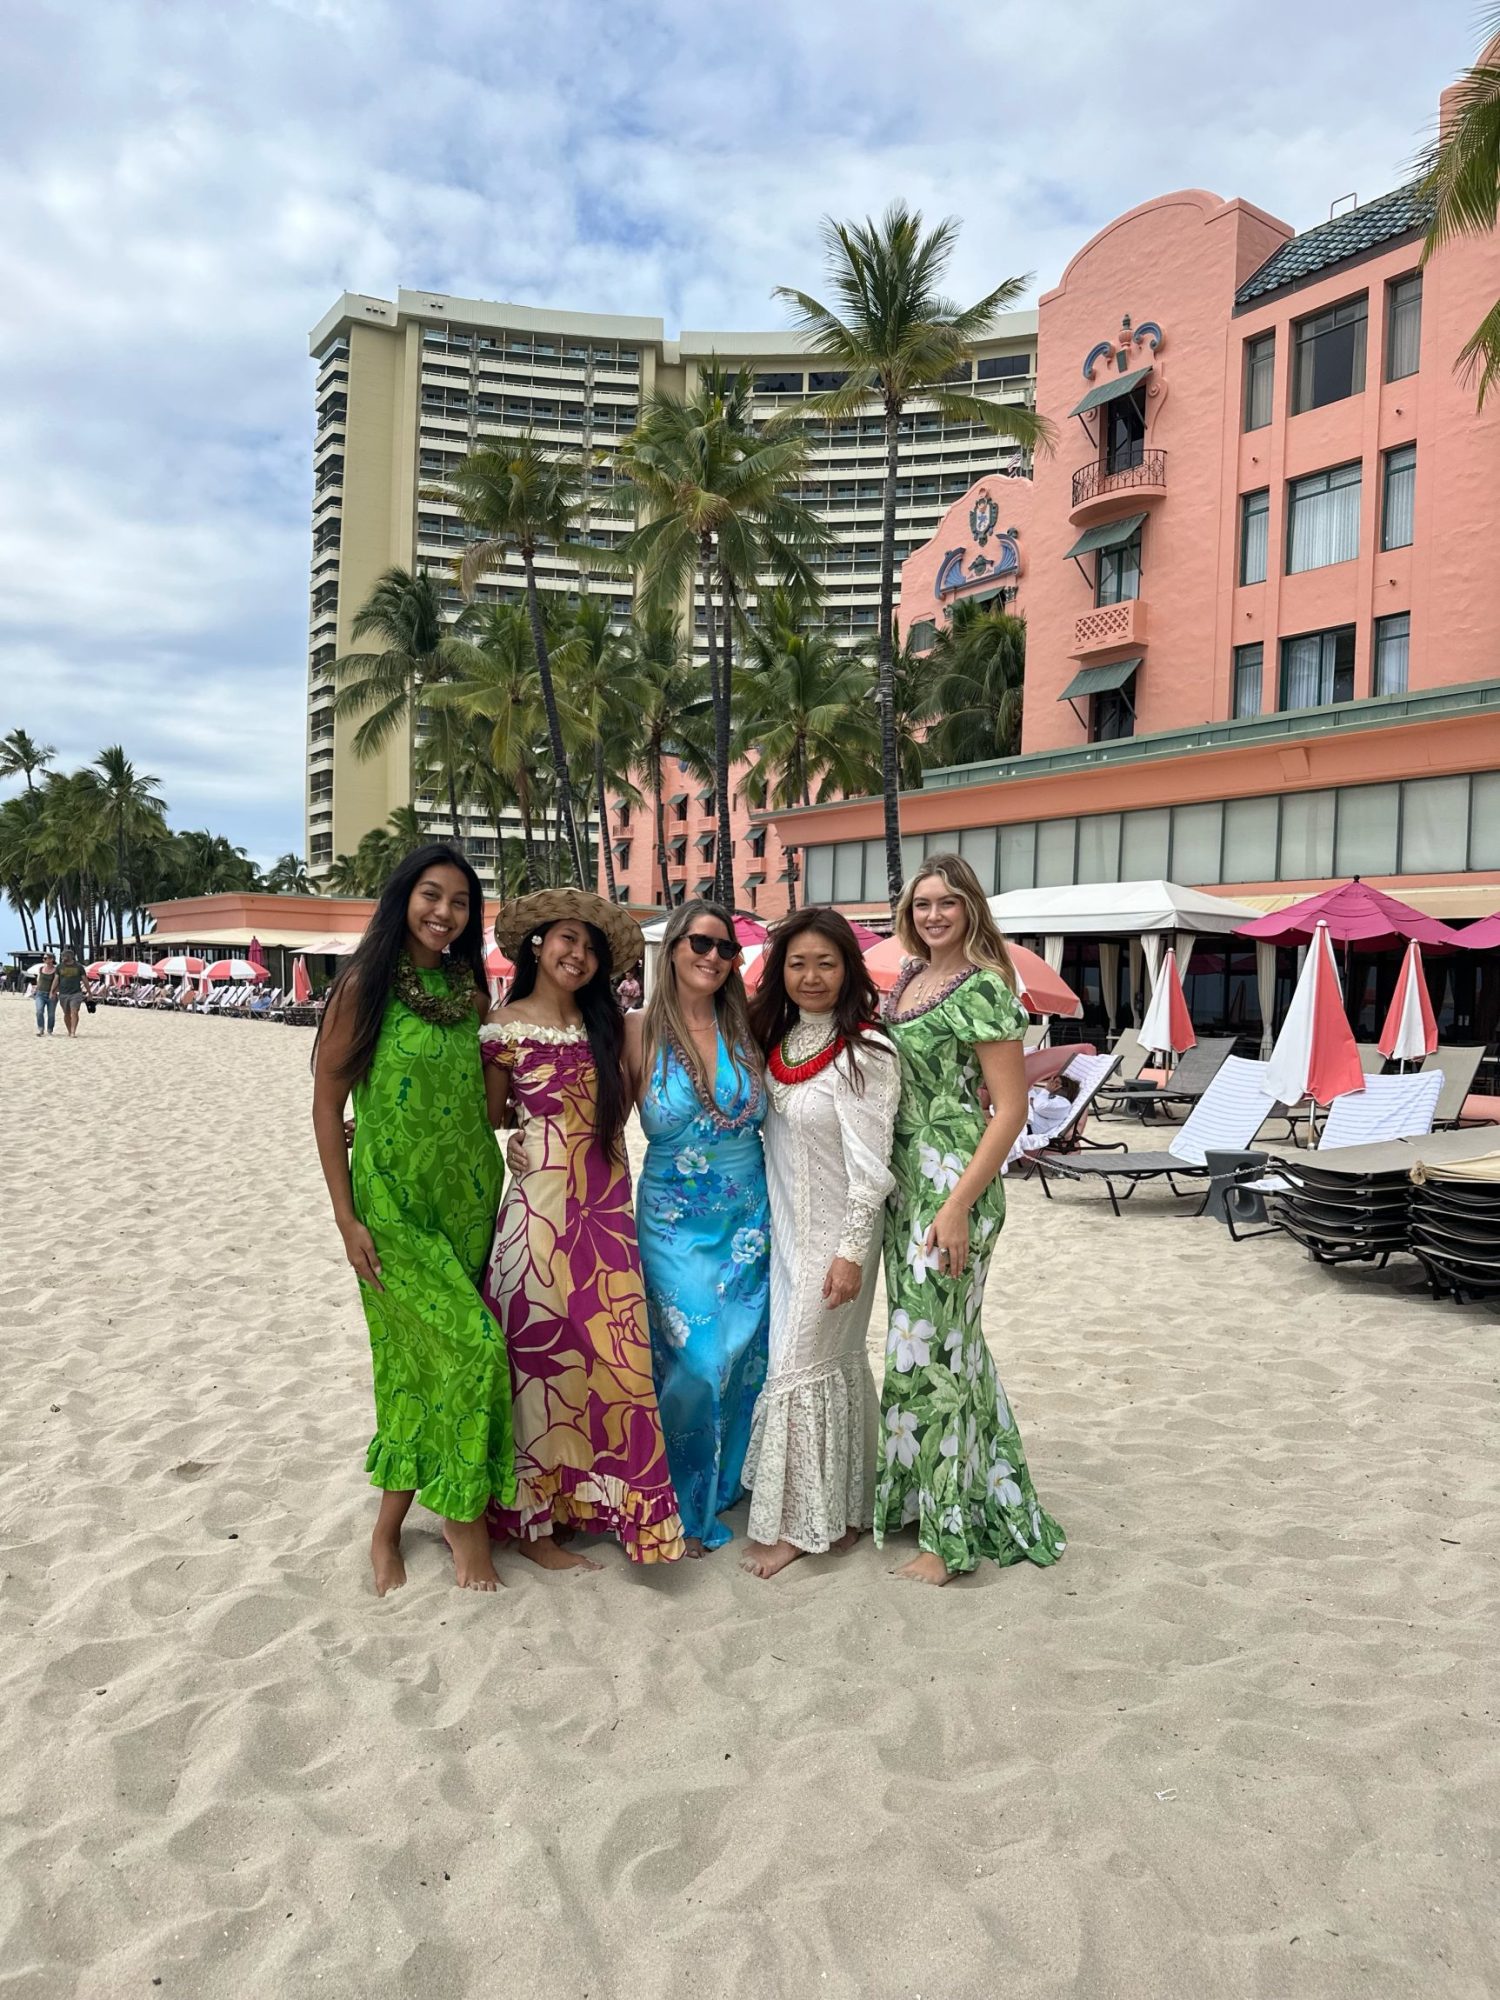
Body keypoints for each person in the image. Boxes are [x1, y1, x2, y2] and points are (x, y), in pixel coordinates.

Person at [310, 844, 513, 1596]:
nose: (444, 912)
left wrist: (528, 1119)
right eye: (432, 895)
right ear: (404, 898)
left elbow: (486, 1102)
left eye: (460, 902)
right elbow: (328, 1104)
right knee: (474, 1349)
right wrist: (345, 1216)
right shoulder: (365, 983)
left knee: (416, 1368)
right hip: (391, 1207)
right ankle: (466, 1527)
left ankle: (387, 1531)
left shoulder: (468, 988)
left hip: (468, 1201)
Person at [877, 852, 1066, 1587]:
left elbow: (1011, 1110)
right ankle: (972, 1495)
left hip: (954, 1184)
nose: (933, 915)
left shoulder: (986, 987)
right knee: (946, 1345)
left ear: (971, 910)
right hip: (904, 1185)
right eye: (922, 903)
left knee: (935, 1355)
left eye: (947, 903)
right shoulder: (906, 981)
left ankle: (946, 1538)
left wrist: (956, 1204)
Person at [483, 887, 684, 1569]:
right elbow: (490, 1118)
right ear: (536, 943)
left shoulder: (613, 1026)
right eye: (567, 939)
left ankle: (598, 1505)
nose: (579, 955)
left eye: (591, 948)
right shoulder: (500, 1029)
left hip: (605, 1219)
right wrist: (517, 1140)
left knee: (613, 1362)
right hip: (535, 1218)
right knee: (540, 1363)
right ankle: (535, 1529)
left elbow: (621, 1111)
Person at [741, 909, 899, 1579]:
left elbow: (872, 1168)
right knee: (817, 1364)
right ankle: (837, 1513)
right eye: (797, 963)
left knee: (801, 1366)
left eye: (826, 963)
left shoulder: (869, 1053)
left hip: (837, 1237)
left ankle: (801, 1527)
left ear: (848, 971)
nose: (810, 976)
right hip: (785, 1233)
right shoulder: (774, 1039)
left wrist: (852, 1252)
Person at [630, 900, 769, 1555]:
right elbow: (587, 1114)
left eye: (725, 949)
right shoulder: (636, 1031)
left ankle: (725, 1485)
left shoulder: (749, 1027)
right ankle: (682, 1498)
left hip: (749, 1216)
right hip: (671, 1224)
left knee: (743, 1356)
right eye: (701, 943)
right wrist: (526, 1144)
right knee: (695, 1359)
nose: (713, 957)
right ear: (674, 947)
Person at [1004, 1071, 1081, 1173]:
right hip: (1024, 1121)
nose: (1051, 1083)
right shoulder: (1049, 1097)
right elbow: (1030, 1093)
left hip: (1029, 1127)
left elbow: (1040, 1106)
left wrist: (1044, 1092)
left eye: (1056, 1082)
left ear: (1061, 1087)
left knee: (990, 1121)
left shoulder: (1063, 1104)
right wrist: (1034, 1101)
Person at [54, 950, 86, 1037]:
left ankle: (73, 1031)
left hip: (76, 993)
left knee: (74, 1012)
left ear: (70, 956)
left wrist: (89, 992)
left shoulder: (79, 967)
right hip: (63, 993)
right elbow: (56, 980)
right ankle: (69, 1030)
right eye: (61, 956)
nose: (62, 957)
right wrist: (52, 991)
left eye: (63, 956)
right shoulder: (59, 967)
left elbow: (85, 979)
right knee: (66, 1013)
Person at [31, 954, 57, 1037]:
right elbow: (39, 980)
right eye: (44, 958)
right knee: (39, 1011)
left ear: (51, 959)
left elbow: (58, 983)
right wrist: (35, 989)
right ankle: (41, 1029)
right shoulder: (41, 969)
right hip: (40, 993)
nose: (44, 960)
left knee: (51, 1014)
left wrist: (53, 992)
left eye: (45, 958)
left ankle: (50, 1030)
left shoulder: (56, 970)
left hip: (51, 994)